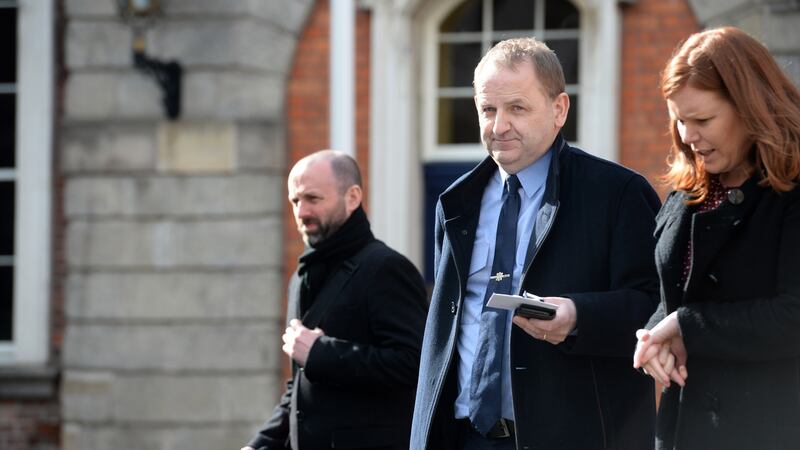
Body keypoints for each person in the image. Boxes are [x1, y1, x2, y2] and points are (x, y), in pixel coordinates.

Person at [410, 37, 662, 450]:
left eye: (517, 108)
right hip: (463, 437)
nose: (498, 125)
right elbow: (446, 330)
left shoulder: (618, 194)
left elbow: (656, 308)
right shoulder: (455, 203)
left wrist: (579, 317)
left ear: (559, 109)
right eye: (488, 109)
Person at [633, 26, 800, 450]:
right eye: (680, 120)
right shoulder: (689, 190)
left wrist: (686, 327)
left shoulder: (790, 190)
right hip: (681, 428)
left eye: (702, 119)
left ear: (751, 107)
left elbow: (793, 315)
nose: (688, 136)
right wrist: (655, 337)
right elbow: (669, 295)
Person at [241, 150, 428, 450]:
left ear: (352, 197)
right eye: (295, 201)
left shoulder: (386, 268)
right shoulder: (302, 276)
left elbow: (416, 366)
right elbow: (300, 387)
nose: (301, 213)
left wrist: (323, 354)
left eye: (313, 199)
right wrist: (260, 444)